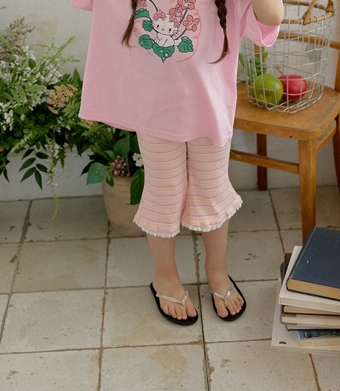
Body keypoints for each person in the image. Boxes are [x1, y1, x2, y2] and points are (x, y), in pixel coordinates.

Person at [71, 0, 283, 325]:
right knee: (164, 191)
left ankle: (217, 270)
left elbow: (272, 15)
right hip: (154, 111)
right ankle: (165, 276)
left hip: (210, 107)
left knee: (212, 188)